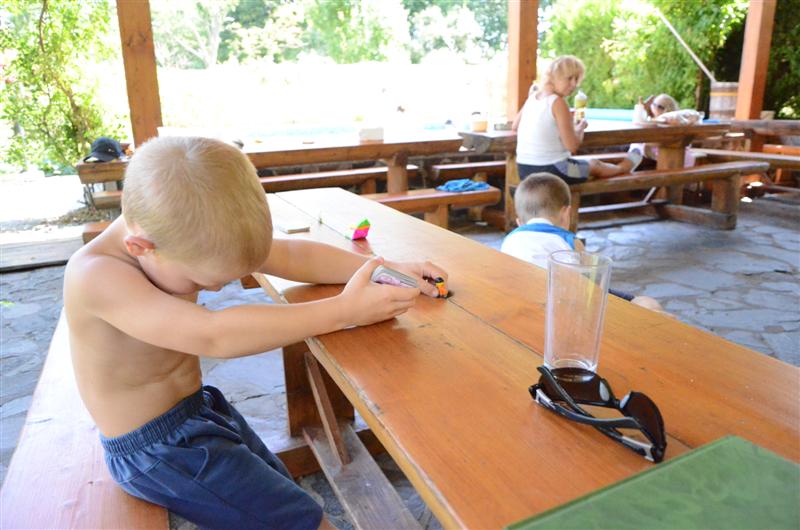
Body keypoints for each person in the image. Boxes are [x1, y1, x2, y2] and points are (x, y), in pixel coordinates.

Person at [63, 136, 448, 530]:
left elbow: (292, 254)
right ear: (141, 247)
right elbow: (213, 335)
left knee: (282, 495)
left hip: (199, 411)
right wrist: (343, 310)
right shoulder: (97, 276)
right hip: (157, 451)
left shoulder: (176, 234)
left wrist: (387, 270)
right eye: (203, 282)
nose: (215, 289)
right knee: (302, 522)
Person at [500, 173, 662, 311]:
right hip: (565, 304)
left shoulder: (509, 240)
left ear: (519, 222)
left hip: (520, 303)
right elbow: (589, 286)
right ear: (566, 214)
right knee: (647, 303)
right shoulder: (570, 240)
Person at [512, 55, 643, 184]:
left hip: (524, 170)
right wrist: (580, 128)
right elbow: (572, 147)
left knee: (587, 164)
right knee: (595, 165)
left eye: (576, 79)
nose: (574, 84)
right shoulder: (557, 102)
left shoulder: (533, 98)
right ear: (554, 77)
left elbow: (515, 126)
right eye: (569, 78)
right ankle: (624, 167)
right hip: (557, 170)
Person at [637, 93, 695, 168]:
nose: (650, 106)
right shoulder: (679, 120)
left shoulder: (660, 123)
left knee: (635, 147)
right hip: (685, 159)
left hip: (669, 160)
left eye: (653, 104)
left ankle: (623, 168)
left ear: (660, 108)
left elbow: (647, 146)